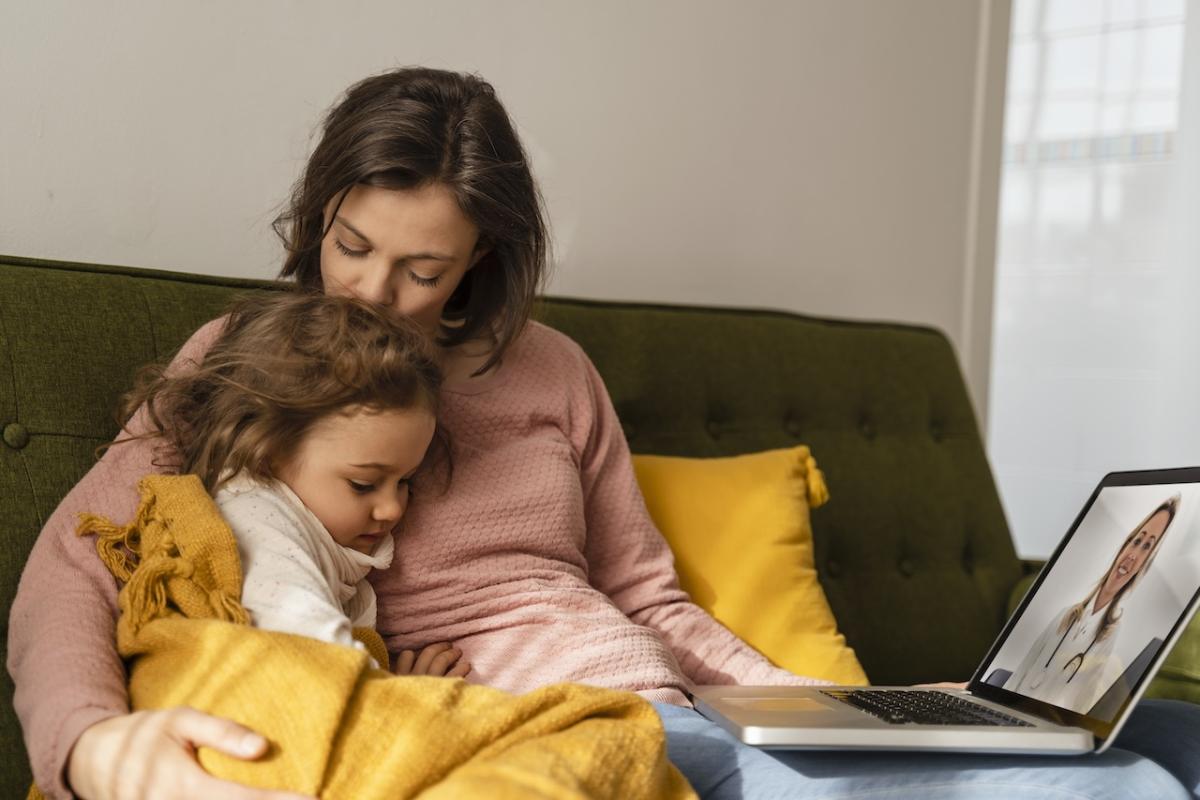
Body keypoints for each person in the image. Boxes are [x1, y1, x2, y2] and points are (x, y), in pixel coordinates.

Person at [8, 67, 1200, 800]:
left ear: (484, 260)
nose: (371, 295)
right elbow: (72, 562)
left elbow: (652, 599)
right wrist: (89, 746)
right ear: (319, 211)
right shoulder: (245, 362)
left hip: (682, 699)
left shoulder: (553, 371)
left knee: (1163, 734)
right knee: (1126, 788)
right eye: (351, 246)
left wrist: (853, 702)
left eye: (423, 270)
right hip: (573, 740)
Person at [114, 290, 469, 678]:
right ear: (268, 452)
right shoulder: (256, 516)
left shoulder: (311, 527)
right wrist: (407, 697)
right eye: (363, 484)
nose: (393, 509)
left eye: (405, 481)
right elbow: (314, 651)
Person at [1007, 495, 1180, 714]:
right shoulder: (1066, 614)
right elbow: (1020, 672)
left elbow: (1085, 712)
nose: (1133, 556)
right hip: (1013, 712)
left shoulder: (1114, 640)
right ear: (1125, 544)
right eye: (1137, 540)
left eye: (1147, 547)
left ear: (1146, 565)